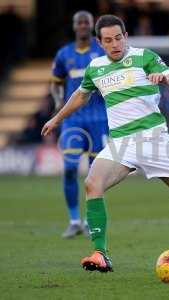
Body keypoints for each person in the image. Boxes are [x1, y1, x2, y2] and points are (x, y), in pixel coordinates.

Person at [42, 14, 169, 272]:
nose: (114, 44)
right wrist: (56, 118)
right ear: (99, 43)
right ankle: (100, 253)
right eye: (107, 40)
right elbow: (81, 96)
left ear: (125, 37)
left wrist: (165, 78)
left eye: (118, 38)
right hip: (121, 144)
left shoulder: (144, 57)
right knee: (92, 183)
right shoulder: (96, 68)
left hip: (155, 141)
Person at [51, 11, 109, 238]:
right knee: (70, 168)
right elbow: (55, 83)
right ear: (74, 26)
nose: (83, 26)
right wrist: (58, 102)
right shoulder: (64, 54)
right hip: (73, 120)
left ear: (92, 26)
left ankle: (88, 221)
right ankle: (74, 220)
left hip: (99, 119)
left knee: (97, 174)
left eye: (87, 22)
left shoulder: (102, 53)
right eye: (80, 23)